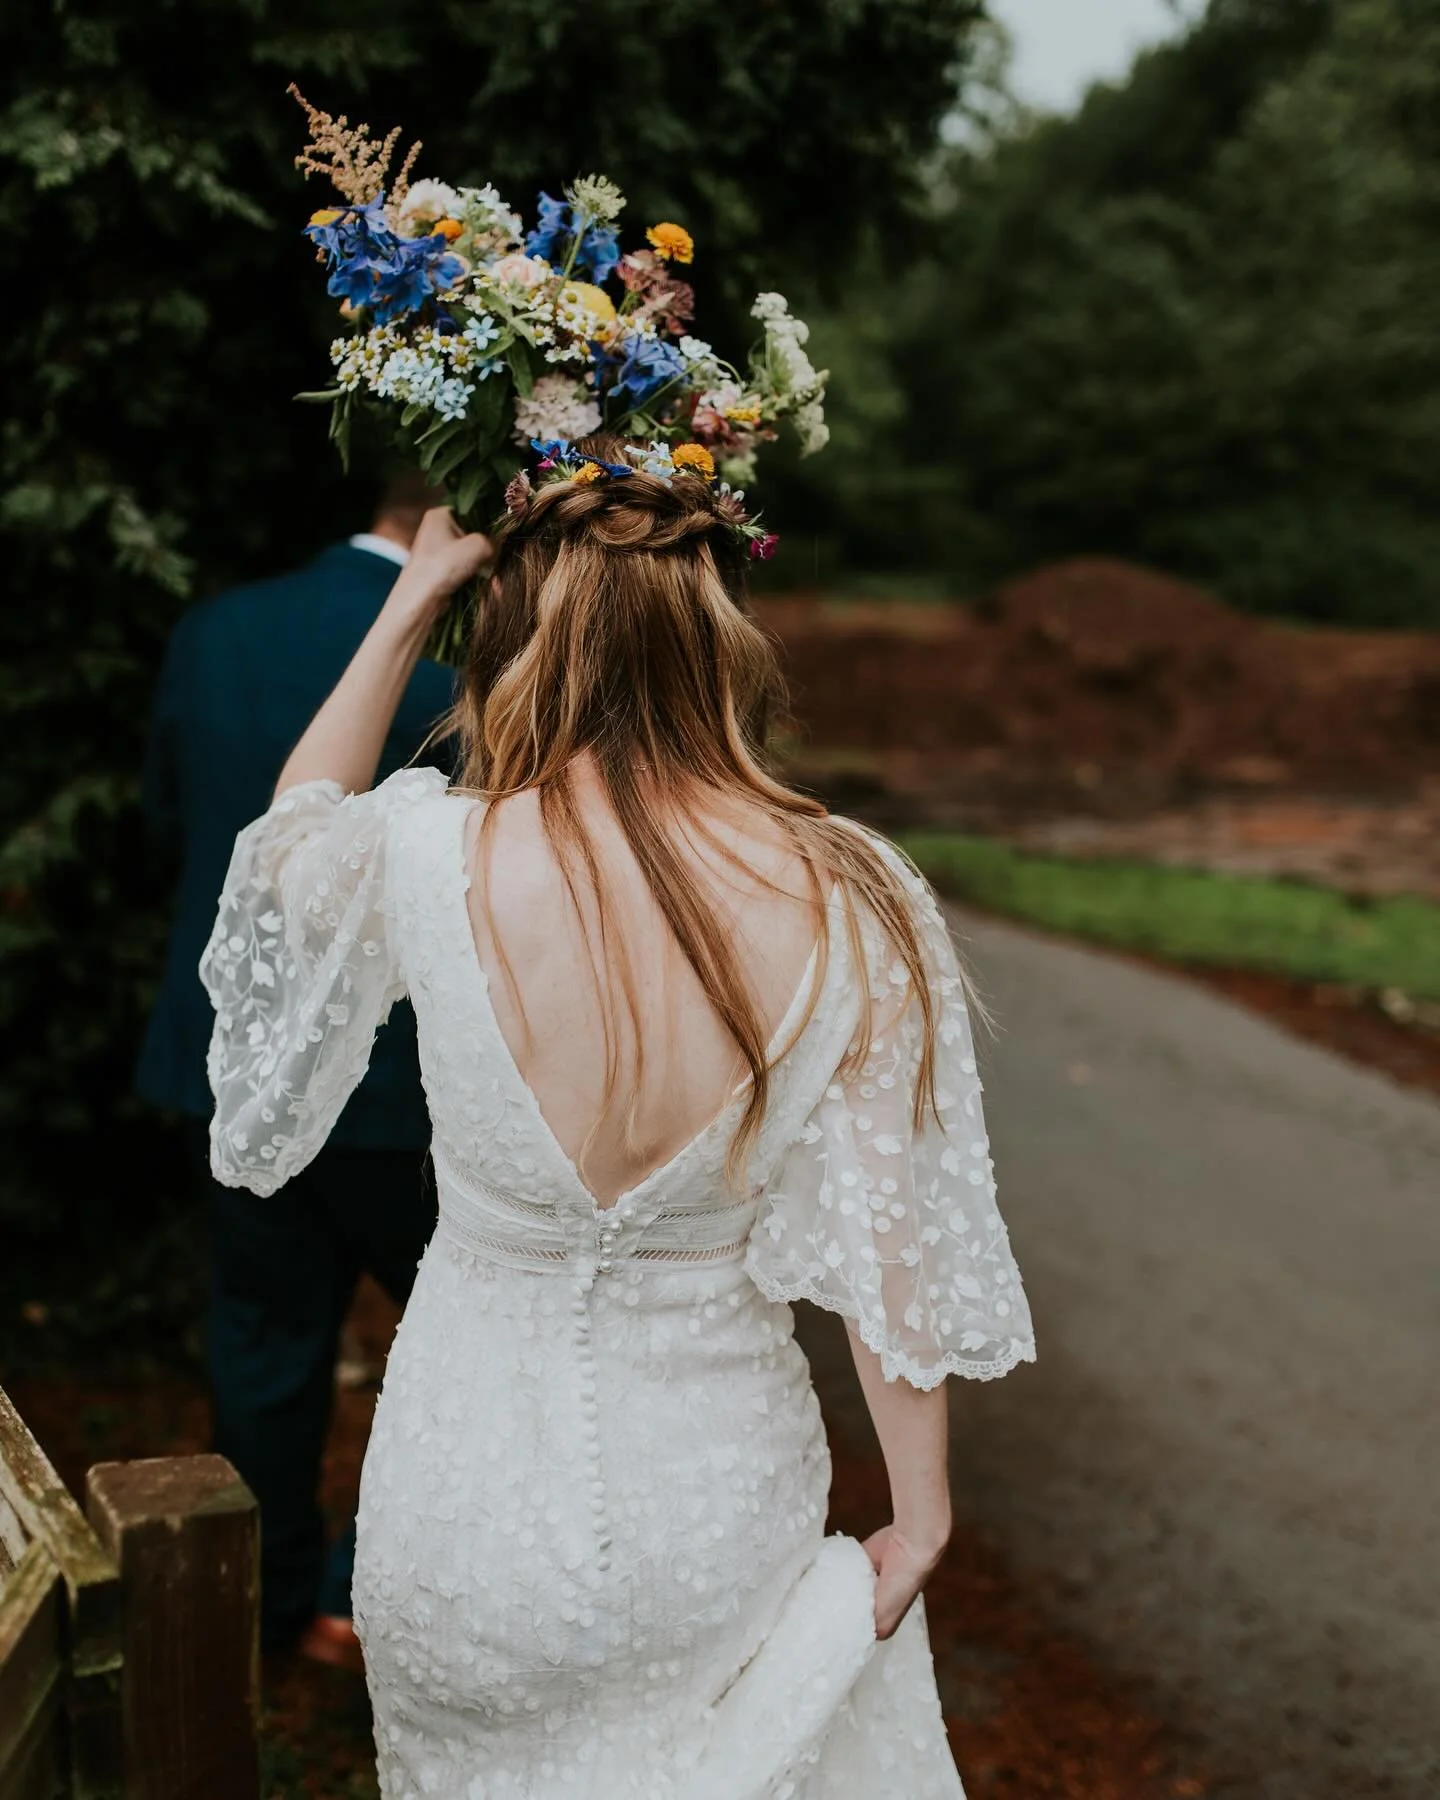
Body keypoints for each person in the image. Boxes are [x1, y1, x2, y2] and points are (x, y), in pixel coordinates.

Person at [202, 442, 1036, 1796]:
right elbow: (894, 1244)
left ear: (520, 632)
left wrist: (410, 599)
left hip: (466, 1502)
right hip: (713, 1497)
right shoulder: (854, 889)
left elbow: (291, 833)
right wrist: (922, 1509)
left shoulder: (431, 852)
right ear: (720, 637)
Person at [138, 473, 453, 1665]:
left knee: (262, 1347)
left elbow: (169, 824)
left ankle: (265, 1618)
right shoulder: (496, 654)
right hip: (416, 1089)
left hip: (237, 1066)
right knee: (457, 1357)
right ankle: (376, 1598)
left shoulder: (216, 629)